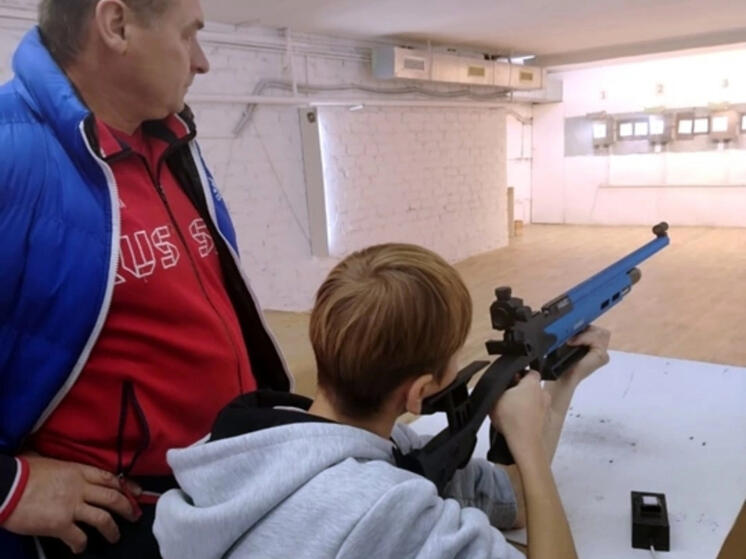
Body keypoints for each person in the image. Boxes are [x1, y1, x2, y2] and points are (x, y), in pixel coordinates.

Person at [0, 1, 292, 557]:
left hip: (216, 488)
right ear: (117, 26)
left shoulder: (170, 141)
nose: (201, 61)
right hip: (120, 523)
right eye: (188, 36)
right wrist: (9, 487)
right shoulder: (9, 152)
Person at [154, 243, 611, 559]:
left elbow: (512, 503)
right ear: (418, 393)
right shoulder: (385, 509)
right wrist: (527, 446)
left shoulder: (240, 447)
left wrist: (560, 389)